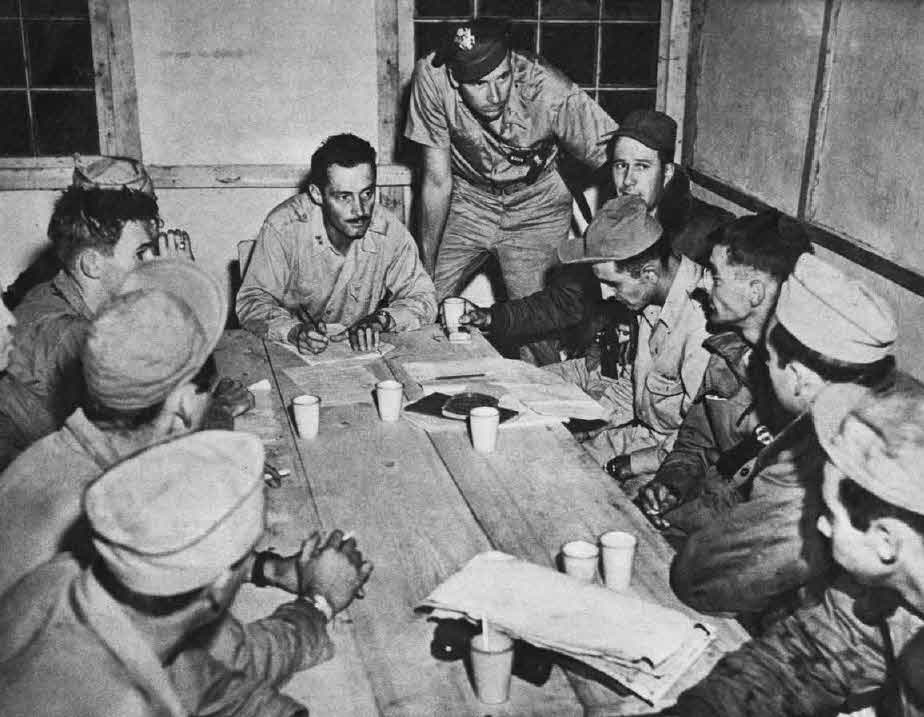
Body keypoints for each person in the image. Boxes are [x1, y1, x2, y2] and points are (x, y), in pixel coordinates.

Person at [0, 429, 372, 716]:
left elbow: (200, 682)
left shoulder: (64, 578)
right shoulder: (121, 703)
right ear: (220, 585)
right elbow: (225, 661)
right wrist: (317, 603)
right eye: (244, 559)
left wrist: (267, 570)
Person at [660, 375, 924, 716]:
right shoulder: (884, 593)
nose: (821, 525)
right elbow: (798, 665)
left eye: (830, 514)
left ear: (886, 542)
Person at [670, 253, 897, 617]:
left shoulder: (826, 452)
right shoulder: (883, 409)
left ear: (799, 377)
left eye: (768, 358)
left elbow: (702, 577)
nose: (761, 365)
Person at [458, 109, 734, 362]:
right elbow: (565, 300)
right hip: (609, 363)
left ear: (667, 172)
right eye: (620, 165)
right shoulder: (612, 221)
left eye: (642, 166)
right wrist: (492, 317)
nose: (628, 181)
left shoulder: (711, 232)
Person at [0, 157, 197, 470]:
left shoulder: (74, 294)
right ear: (92, 264)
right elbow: (140, 438)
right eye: (141, 254)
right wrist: (181, 289)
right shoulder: (66, 334)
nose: (152, 265)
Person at [405, 18, 617, 305]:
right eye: (479, 82)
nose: (494, 96)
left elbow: (618, 157)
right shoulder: (433, 77)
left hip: (537, 204)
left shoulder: (550, 89)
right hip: (468, 200)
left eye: (502, 78)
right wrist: (426, 269)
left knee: (538, 326)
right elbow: (437, 180)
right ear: (455, 78)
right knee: (418, 300)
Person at [637, 212, 812, 533]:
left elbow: (760, 513)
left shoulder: (802, 385)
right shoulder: (726, 350)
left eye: (716, 277)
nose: (706, 285)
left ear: (755, 293)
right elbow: (695, 445)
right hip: (701, 510)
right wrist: (670, 485)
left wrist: (679, 519)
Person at [552, 194, 711, 483]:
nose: (604, 295)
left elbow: (701, 437)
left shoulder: (702, 326)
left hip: (673, 458)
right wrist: (595, 421)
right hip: (642, 432)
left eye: (611, 284)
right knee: (552, 460)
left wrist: (636, 463)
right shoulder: (650, 295)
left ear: (649, 273)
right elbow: (637, 383)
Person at [237, 133, 436, 354]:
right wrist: (294, 331)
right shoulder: (284, 227)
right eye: (344, 197)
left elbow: (423, 298)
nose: (360, 210)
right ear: (317, 194)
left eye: (367, 194)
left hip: (356, 357)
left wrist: (381, 320)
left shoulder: (388, 230)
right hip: (288, 352)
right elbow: (252, 302)